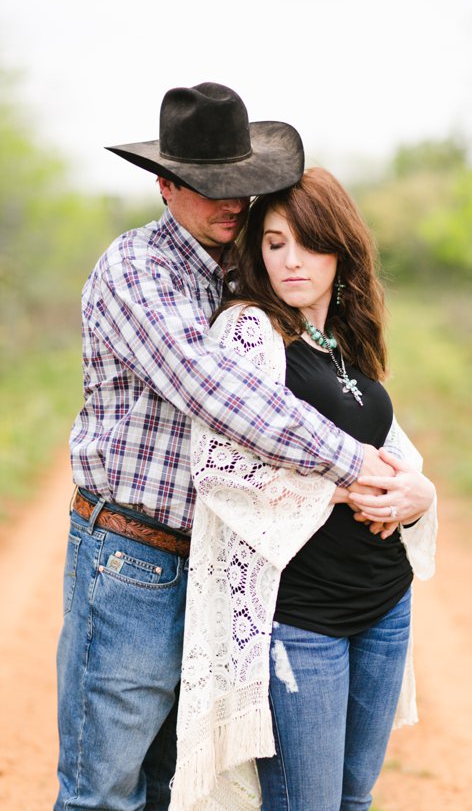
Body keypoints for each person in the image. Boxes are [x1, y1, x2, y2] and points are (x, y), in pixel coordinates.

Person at [59, 83, 397, 811]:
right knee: (107, 790)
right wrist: (352, 462)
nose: (229, 203)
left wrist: (405, 475)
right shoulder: (137, 270)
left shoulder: (247, 271)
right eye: (206, 188)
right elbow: (216, 390)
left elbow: (320, 381)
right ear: (165, 184)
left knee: (192, 780)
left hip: (231, 563)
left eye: (239, 186)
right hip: (137, 557)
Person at [171, 167, 438, 810]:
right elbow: (216, 468)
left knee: (354, 799)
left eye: (309, 242)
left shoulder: (345, 342)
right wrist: (340, 490)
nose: (291, 261)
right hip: (299, 619)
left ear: (340, 248)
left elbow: (393, 453)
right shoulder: (248, 332)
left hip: (383, 605)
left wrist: (420, 494)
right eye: (273, 243)